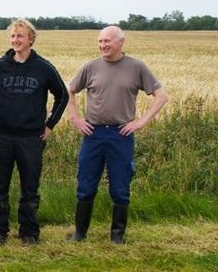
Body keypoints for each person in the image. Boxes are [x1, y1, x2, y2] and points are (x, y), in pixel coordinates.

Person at [67, 26, 169, 244]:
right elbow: (70, 90)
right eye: (100, 41)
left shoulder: (136, 67)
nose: (103, 45)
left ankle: (117, 236)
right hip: (93, 134)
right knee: (85, 186)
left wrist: (141, 122)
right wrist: (76, 118)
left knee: (120, 188)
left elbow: (161, 96)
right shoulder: (91, 67)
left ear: (121, 42)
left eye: (107, 41)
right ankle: (79, 233)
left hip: (120, 135)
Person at [0, 19, 68, 246]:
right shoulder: (1, 65)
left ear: (31, 39)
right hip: (2, 136)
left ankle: (29, 232)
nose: (15, 40)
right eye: (12, 36)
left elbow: (63, 96)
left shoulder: (44, 68)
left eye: (20, 36)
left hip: (31, 137)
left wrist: (50, 125)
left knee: (30, 188)